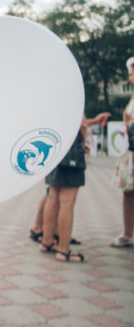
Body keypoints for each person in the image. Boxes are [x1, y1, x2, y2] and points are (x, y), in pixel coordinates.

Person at [40, 112, 110, 262]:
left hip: (54, 148)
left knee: (52, 196)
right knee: (67, 201)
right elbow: (81, 123)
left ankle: (46, 241)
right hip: (70, 151)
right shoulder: (73, 92)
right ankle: (63, 250)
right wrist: (86, 133)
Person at [113, 56, 134, 247]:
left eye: (131, 73)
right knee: (128, 193)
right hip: (131, 151)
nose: (130, 78)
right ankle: (128, 232)